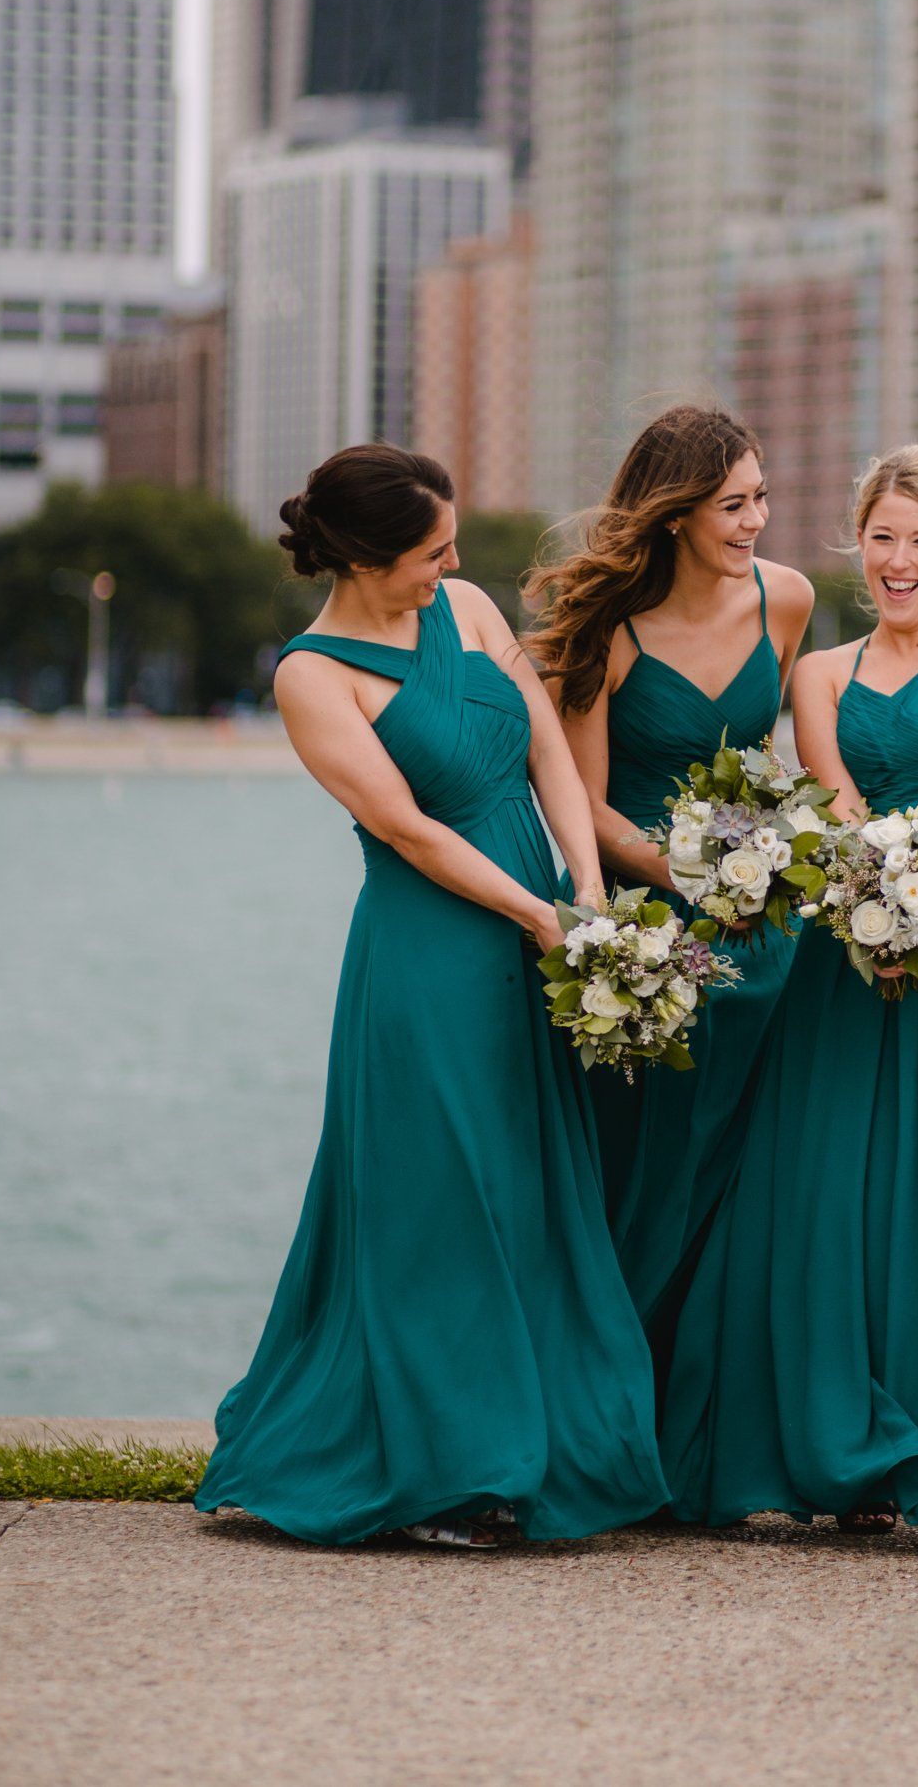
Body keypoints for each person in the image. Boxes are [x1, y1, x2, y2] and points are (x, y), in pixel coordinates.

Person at [195, 445, 665, 1549]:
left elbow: (544, 737)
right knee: (442, 1202)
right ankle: (456, 1469)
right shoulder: (312, 674)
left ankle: (540, 1444)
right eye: (430, 549)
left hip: (538, 915)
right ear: (361, 556)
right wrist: (541, 916)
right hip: (432, 951)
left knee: (528, 1188)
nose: (452, 562)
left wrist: (587, 888)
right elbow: (408, 828)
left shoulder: (464, 604)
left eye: (450, 543)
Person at [661, 447, 918, 1541]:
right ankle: (855, 1451)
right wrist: (875, 900)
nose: (900, 559)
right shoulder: (819, 672)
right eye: (883, 536)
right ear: (856, 543)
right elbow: (832, 805)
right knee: (838, 1184)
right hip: (848, 933)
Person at [528, 407, 813, 1328]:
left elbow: (770, 765)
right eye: (732, 504)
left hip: (768, 933)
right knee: (655, 1177)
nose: (754, 521)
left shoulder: (789, 599)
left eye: (761, 498)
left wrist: (762, 865)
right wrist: (694, 874)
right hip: (657, 941)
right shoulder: (609, 631)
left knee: (756, 1176)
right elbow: (586, 809)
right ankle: (618, 1378)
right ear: (677, 512)